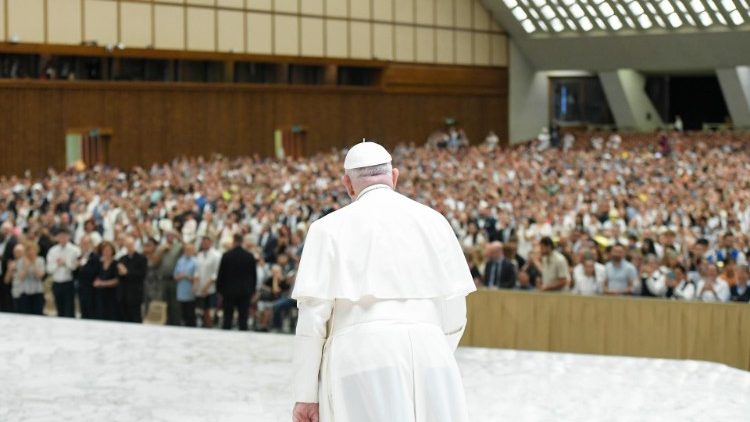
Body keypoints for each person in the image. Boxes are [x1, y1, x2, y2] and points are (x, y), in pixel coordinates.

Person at [291, 141, 475, 422]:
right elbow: (455, 312)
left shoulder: (326, 229)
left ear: (348, 185)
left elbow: (312, 320)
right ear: (394, 177)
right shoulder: (435, 221)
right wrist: (433, 353)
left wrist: (305, 395)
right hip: (432, 351)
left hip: (360, 355)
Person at [216, 233, 257, 331]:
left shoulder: (226, 255)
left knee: (227, 318)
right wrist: (252, 290)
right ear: (242, 241)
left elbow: (220, 275)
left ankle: (226, 340)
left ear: (233, 241)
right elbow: (254, 276)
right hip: (244, 292)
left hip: (228, 291)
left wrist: (219, 290)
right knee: (243, 319)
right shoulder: (249, 256)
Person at [46, 228, 80, 317]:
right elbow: (49, 269)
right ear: (57, 238)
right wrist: (58, 264)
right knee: (59, 308)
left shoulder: (75, 250)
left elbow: (76, 267)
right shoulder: (52, 251)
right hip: (56, 282)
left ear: (68, 237)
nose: (63, 239)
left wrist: (65, 263)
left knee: (69, 309)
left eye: (65, 236)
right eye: (60, 237)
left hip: (69, 282)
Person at [6, 242, 45, 314]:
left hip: (37, 291)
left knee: (38, 314)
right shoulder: (20, 261)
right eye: (29, 250)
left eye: (33, 250)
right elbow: (21, 277)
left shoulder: (40, 260)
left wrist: (33, 264)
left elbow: (40, 276)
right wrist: (26, 266)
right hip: (24, 292)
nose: (31, 252)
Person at [117, 236, 147, 323]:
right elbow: (119, 276)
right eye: (127, 245)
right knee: (125, 317)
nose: (129, 247)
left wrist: (127, 272)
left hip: (135, 293)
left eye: (131, 244)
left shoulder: (141, 259)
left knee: (136, 317)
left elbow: (142, 274)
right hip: (124, 293)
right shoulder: (122, 259)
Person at [195, 236, 221, 328]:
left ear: (211, 243)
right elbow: (197, 271)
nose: (204, 244)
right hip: (200, 287)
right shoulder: (200, 255)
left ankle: (210, 327)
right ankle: (204, 327)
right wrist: (196, 284)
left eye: (206, 242)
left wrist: (207, 285)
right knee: (202, 310)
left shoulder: (216, 255)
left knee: (210, 310)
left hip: (211, 287)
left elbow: (216, 272)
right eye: (203, 243)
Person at [76, 235, 101, 319]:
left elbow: (93, 272)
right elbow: (75, 274)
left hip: (91, 289)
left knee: (91, 312)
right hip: (81, 288)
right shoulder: (79, 257)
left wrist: (82, 265)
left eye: (86, 243)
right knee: (83, 311)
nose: (84, 245)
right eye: (83, 243)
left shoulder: (95, 257)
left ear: (91, 244)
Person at [94, 241, 119, 321]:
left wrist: (102, 283)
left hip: (111, 295)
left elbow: (117, 280)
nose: (106, 252)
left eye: (108, 250)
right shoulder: (99, 263)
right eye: (104, 250)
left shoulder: (116, 264)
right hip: (100, 295)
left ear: (112, 251)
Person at [173, 243, 198, 327]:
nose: (188, 251)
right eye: (186, 250)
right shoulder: (180, 260)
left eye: (190, 250)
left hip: (190, 290)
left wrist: (185, 276)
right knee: (182, 312)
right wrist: (184, 276)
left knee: (190, 312)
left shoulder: (195, 261)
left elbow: (196, 277)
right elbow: (176, 276)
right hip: (181, 290)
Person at [0, 221, 19, 312]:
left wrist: (3, 258)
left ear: (11, 230)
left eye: (7, 229)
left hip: (8, 270)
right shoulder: (1, 240)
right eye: (4, 229)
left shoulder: (14, 241)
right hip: (1, 270)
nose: (5, 231)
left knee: (7, 294)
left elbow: (14, 256)